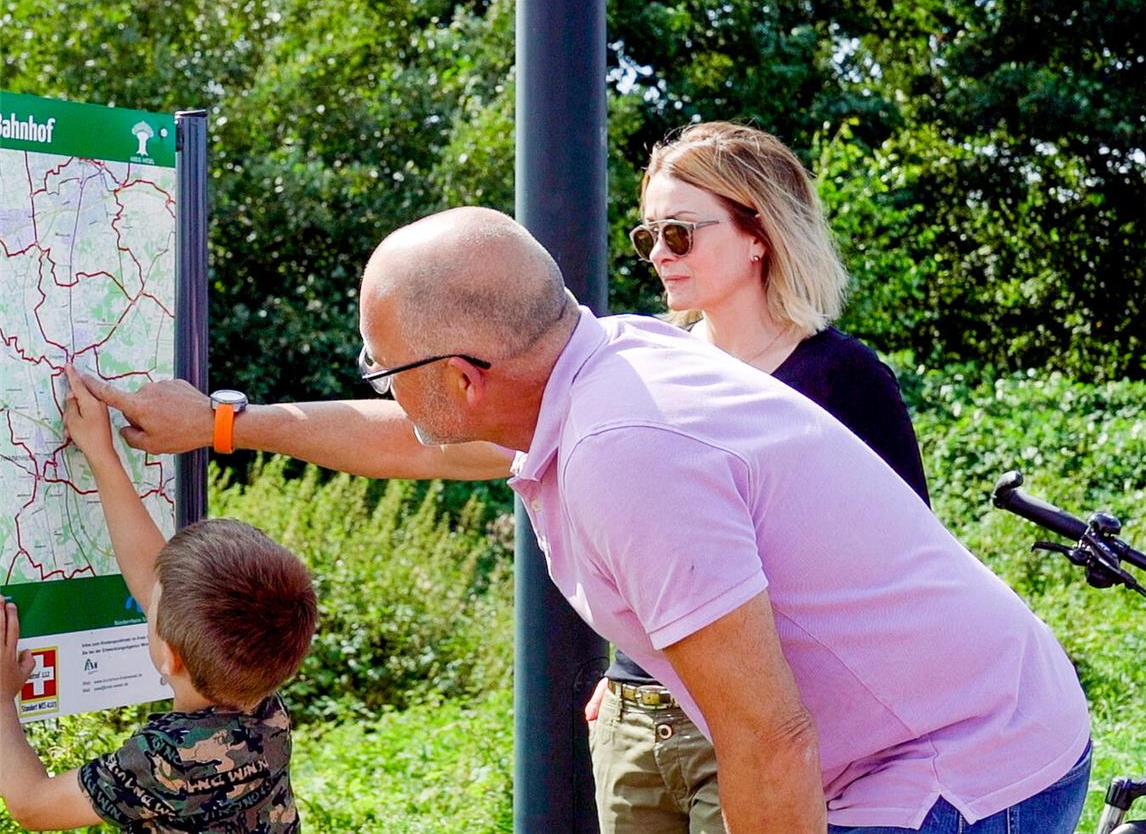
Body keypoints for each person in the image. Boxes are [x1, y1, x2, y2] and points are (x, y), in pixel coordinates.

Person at [84, 206, 1091, 833]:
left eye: (383, 365)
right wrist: (222, 421)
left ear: (465, 378)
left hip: (966, 760)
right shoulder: (594, 365)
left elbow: (769, 737)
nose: (380, 387)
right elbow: (409, 435)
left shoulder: (628, 454)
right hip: (968, 716)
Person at [583, 121, 931, 834]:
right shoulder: (649, 370)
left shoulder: (844, 379)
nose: (657, 254)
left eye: (678, 232)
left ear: (758, 232)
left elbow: (903, 574)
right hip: (634, 722)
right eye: (647, 234)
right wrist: (633, 666)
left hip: (755, 725)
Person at [0, 366, 317, 832]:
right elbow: (157, 582)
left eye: (153, 606)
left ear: (170, 655)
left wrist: (2, 698)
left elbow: (34, 806)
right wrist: (101, 456)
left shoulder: (167, 759)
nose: (149, 596)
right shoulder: (263, 703)